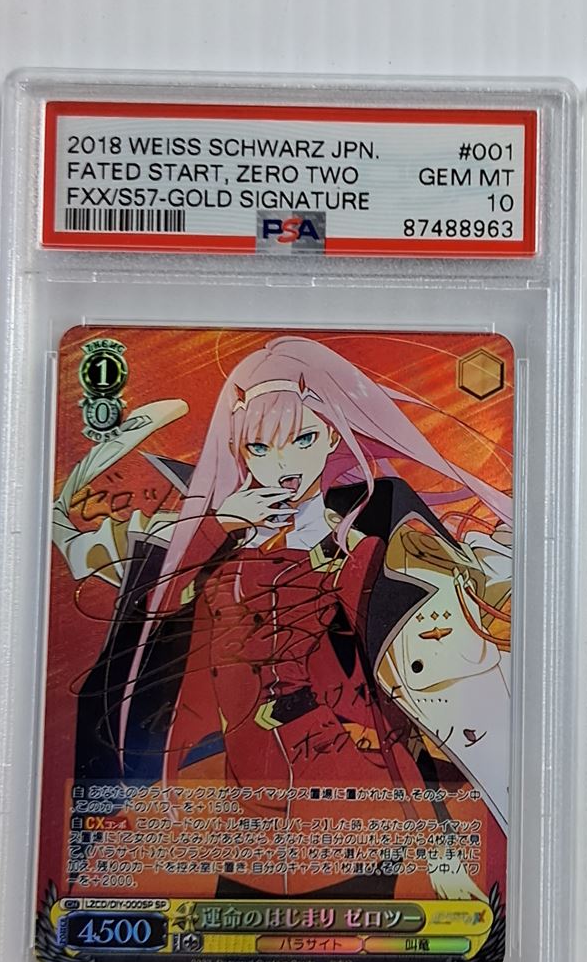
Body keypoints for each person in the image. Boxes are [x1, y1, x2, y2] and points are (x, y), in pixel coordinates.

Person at [50, 335, 511, 901]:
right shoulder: (213, 547)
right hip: (248, 820)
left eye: (303, 440)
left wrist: (437, 848)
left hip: (352, 812)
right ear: (239, 449)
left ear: (333, 437)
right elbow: (156, 613)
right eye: (260, 448)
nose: (284, 466)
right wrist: (219, 527)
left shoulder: (361, 551)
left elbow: (388, 709)